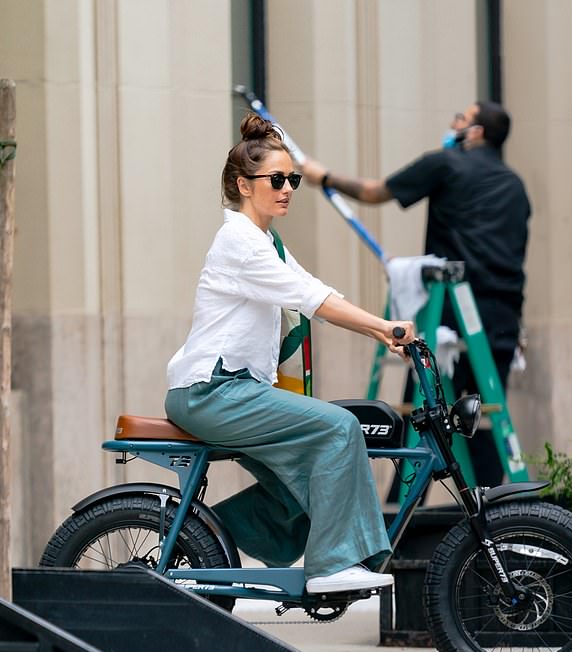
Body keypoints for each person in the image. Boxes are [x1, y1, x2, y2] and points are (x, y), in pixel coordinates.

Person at [164, 113, 415, 594]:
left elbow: (313, 288)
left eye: (293, 180)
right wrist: (382, 327)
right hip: (211, 391)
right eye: (276, 179)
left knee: (301, 480)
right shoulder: (239, 242)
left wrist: (384, 332)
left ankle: (203, 537)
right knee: (340, 427)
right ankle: (331, 565)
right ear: (244, 184)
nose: (287, 189)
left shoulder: (266, 241)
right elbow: (312, 301)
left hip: (231, 390)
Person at [301, 101, 531, 486]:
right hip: (500, 316)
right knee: (482, 414)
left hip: (449, 310)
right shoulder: (515, 185)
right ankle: (496, 512)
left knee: (425, 410)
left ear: (474, 133)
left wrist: (323, 176)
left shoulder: (446, 163)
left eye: (461, 118)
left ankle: (405, 509)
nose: (452, 121)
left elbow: (374, 192)